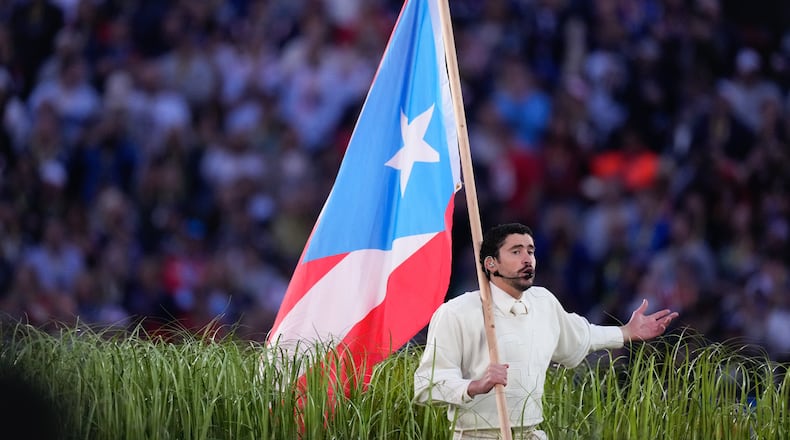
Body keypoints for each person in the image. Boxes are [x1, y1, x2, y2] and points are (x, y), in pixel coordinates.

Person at [414, 223, 678, 439]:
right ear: (491, 264)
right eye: (516, 252)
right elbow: (426, 385)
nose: (527, 259)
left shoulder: (544, 302)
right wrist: (475, 385)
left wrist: (625, 332)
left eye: (531, 250)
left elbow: (582, 335)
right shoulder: (456, 312)